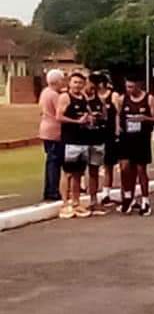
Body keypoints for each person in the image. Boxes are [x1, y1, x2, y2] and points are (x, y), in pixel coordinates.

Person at [115, 77, 154, 216]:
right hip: (126, 138)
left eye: (132, 87)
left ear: (139, 85)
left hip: (142, 139)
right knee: (125, 167)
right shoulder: (122, 99)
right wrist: (118, 128)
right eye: (127, 87)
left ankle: (145, 199)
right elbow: (118, 115)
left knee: (140, 169)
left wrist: (145, 118)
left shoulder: (149, 99)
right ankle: (128, 197)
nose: (129, 90)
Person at [56, 72, 92, 218]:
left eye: (80, 83)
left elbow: (87, 115)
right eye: (75, 82)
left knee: (78, 173)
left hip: (82, 140)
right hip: (69, 140)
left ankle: (76, 202)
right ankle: (65, 203)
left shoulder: (84, 98)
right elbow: (59, 116)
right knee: (68, 173)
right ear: (69, 83)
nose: (77, 85)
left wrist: (89, 120)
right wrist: (77, 122)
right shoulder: (65, 97)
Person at [83, 74, 109, 215]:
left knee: (94, 170)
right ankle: (72, 200)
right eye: (90, 84)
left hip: (97, 138)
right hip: (81, 139)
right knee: (75, 172)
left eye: (95, 85)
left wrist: (98, 116)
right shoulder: (80, 99)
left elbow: (105, 116)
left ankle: (93, 200)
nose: (92, 87)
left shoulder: (100, 100)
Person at [38, 68, 65, 202]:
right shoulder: (54, 95)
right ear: (57, 81)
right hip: (54, 130)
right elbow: (60, 113)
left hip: (45, 129)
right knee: (55, 162)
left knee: (50, 161)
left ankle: (49, 189)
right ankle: (53, 191)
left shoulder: (45, 92)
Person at [95, 73, 120, 207]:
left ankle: (106, 192)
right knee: (94, 162)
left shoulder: (113, 95)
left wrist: (117, 130)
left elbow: (117, 114)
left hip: (109, 132)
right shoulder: (92, 96)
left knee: (109, 163)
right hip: (96, 132)